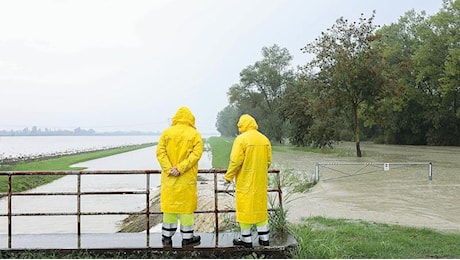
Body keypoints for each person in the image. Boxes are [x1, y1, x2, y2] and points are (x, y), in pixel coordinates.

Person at [156, 106, 203, 247]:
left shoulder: (166, 133)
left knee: (169, 208)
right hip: (186, 178)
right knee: (186, 209)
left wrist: (169, 168)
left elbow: (160, 152)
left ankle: (166, 237)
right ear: (190, 118)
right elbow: (196, 154)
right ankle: (187, 238)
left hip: (169, 178)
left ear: (175, 118)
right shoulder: (194, 134)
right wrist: (181, 168)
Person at [224, 114, 272, 248]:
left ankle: (246, 240)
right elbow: (268, 161)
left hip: (245, 182)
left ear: (242, 125)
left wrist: (228, 177)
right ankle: (264, 239)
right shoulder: (264, 139)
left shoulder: (241, 139)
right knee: (260, 210)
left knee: (245, 211)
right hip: (260, 182)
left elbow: (235, 161)